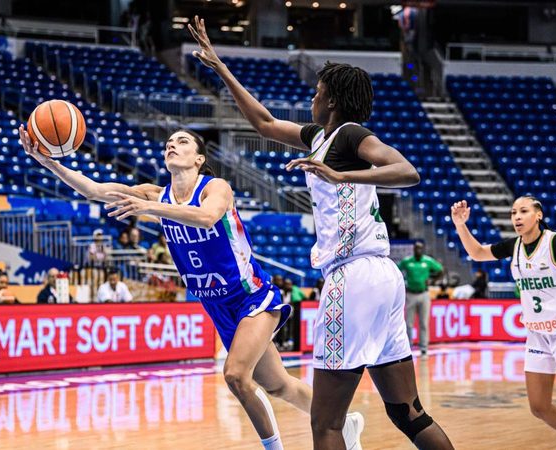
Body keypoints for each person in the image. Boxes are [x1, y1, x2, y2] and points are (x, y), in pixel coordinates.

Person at [188, 16, 452, 450]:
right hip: (383, 278)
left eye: (317, 93)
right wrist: (220, 67)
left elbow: (407, 171)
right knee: (407, 411)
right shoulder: (318, 137)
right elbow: (266, 124)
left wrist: (342, 177)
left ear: (332, 101)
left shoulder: (350, 135)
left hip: (352, 280)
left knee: (326, 424)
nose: (312, 98)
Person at [18, 124, 365, 450]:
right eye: (169, 141)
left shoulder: (215, 188)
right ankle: (345, 423)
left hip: (252, 297)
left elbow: (207, 216)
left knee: (235, 376)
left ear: (199, 159)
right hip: (217, 306)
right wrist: (46, 160)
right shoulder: (157, 194)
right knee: (278, 384)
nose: (172, 143)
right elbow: (93, 190)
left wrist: (151, 207)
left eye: (182, 141)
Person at [452, 197, 556, 450]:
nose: (517, 217)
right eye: (513, 212)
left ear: (539, 216)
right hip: (537, 334)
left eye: (523, 211)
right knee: (539, 406)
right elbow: (477, 253)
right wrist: (460, 225)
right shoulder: (514, 246)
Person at [398, 242, 444, 357]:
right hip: (410, 294)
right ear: (413, 250)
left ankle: (424, 348)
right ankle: (408, 347)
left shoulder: (428, 261)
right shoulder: (407, 261)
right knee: (408, 323)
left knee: (423, 322)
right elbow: (396, 270)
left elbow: (441, 270)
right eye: (416, 248)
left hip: (424, 294)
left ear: (423, 250)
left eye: (420, 249)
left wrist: (433, 281)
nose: (418, 250)